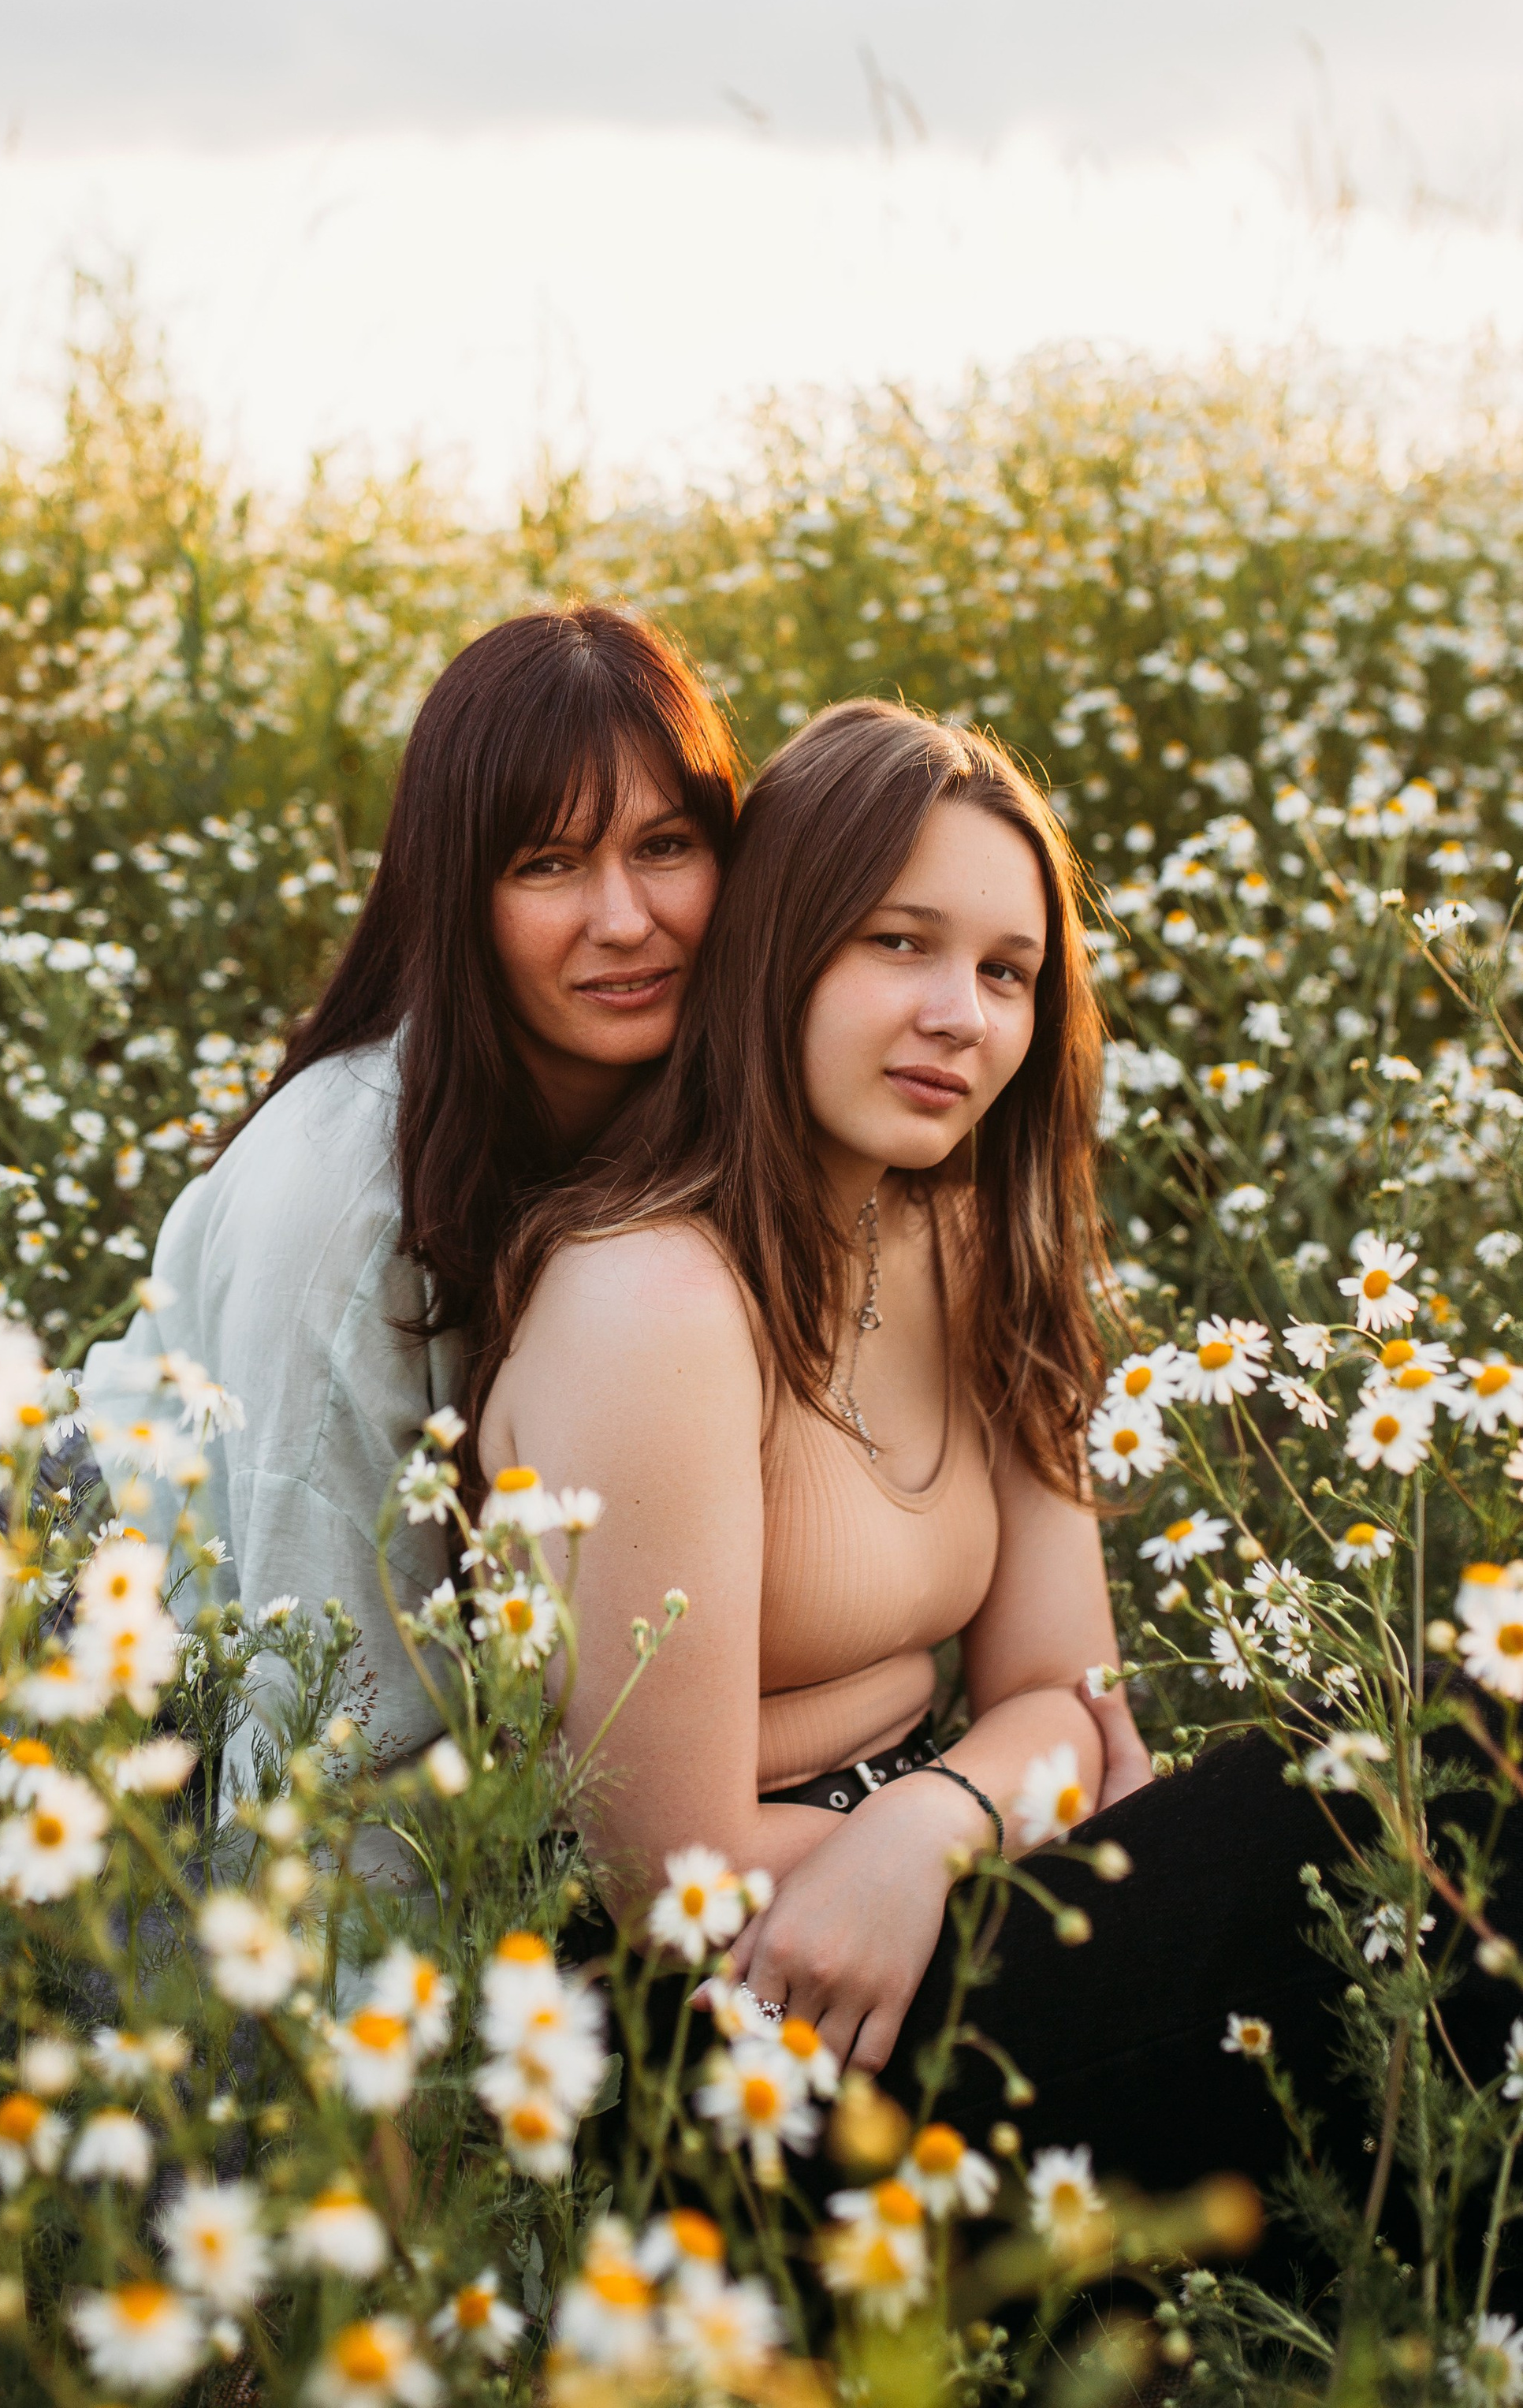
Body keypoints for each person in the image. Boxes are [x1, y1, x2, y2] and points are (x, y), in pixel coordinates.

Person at [476, 699, 1491, 2217]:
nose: (965, 1014)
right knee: (1453, 1776)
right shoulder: (652, 1299)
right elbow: (665, 1879)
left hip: (938, 1894)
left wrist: (929, 1826)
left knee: (1449, 1835)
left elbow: (1079, 1702)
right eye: (901, 943)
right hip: (738, 2042)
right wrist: (973, 1807)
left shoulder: (965, 1233)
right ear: (778, 950)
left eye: (1008, 973)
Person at [79, 602, 741, 1765]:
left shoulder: (726, 1107)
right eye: (549, 863)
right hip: (99, 1721)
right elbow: (312, 1747)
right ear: (457, 895)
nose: (627, 920)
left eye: (665, 846)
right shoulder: (341, 1208)